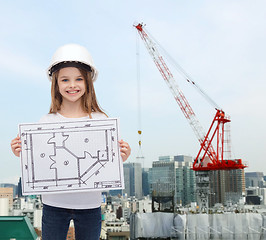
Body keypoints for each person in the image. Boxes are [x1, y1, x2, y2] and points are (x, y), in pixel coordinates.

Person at [10, 43, 131, 240]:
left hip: (90, 205)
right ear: (56, 84)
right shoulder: (45, 122)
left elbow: (106, 163)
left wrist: (121, 156)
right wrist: (21, 153)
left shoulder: (100, 120)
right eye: (65, 79)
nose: (72, 85)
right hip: (54, 205)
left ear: (88, 82)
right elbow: (39, 163)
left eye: (78, 79)